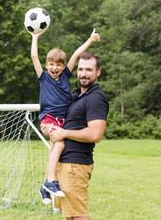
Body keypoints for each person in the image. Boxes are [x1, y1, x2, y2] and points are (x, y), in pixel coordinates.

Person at [29, 29, 100, 205]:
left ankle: (43, 187)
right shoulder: (43, 77)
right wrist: (35, 37)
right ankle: (50, 182)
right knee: (59, 144)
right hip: (49, 119)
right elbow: (33, 57)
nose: (55, 68)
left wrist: (90, 40)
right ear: (47, 65)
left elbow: (76, 53)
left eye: (59, 65)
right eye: (51, 64)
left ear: (63, 66)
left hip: (63, 121)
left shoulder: (65, 75)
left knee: (54, 151)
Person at [41, 52, 109, 219]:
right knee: (70, 215)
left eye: (89, 69)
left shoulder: (96, 98)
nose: (83, 73)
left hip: (76, 164)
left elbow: (96, 134)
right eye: (80, 69)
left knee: (78, 215)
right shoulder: (76, 96)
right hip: (64, 163)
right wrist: (49, 128)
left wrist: (64, 133)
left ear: (98, 72)